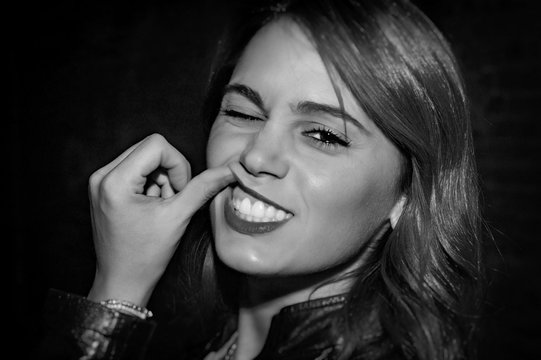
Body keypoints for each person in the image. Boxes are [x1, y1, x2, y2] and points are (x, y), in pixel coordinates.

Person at [36, 0, 485, 359]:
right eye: (241, 112)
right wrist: (121, 287)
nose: (256, 155)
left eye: (324, 135)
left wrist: (111, 305)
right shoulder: (203, 337)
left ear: (407, 194)